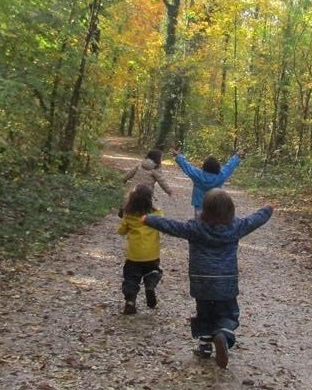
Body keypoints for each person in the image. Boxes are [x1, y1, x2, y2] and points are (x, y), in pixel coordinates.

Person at [142, 188, 273, 367]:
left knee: (204, 313)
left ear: (205, 209)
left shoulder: (195, 228)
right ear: (231, 211)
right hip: (226, 282)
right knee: (228, 313)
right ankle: (223, 336)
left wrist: (149, 219)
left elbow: (172, 226)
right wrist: (267, 209)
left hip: (201, 281)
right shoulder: (236, 227)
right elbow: (254, 220)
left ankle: (204, 346)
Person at [117, 184, 164, 315]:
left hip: (134, 256)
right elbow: (163, 223)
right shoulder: (156, 214)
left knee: (131, 278)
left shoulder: (128, 215)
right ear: (150, 200)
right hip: (152, 255)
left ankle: (130, 302)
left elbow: (121, 231)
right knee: (154, 271)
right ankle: (150, 284)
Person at [174, 148, 242, 216]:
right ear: (217, 167)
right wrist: (237, 156)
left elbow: (187, 167)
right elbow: (229, 167)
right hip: (215, 203)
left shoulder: (198, 175)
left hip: (199, 204)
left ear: (204, 166)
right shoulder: (221, 176)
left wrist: (178, 157)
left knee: (199, 222)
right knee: (215, 221)